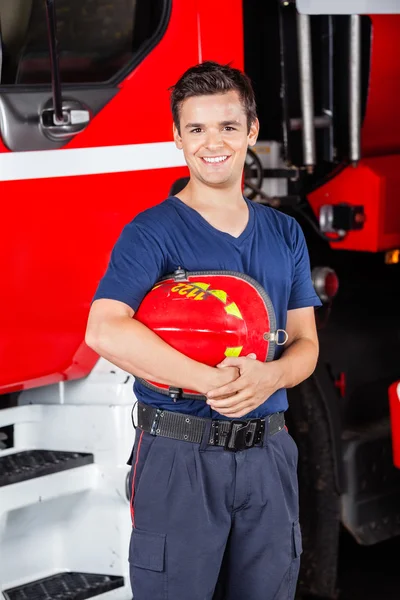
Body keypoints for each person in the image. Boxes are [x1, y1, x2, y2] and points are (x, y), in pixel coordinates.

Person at [85, 61, 321, 600]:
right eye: (196, 129)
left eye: (228, 127)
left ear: (252, 131)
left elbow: (305, 344)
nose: (212, 143)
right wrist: (214, 382)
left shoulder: (284, 233)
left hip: (269, 456)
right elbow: (104, 329)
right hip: (179, 457)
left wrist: (269, 378)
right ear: (176, 137)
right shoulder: (152, 232)